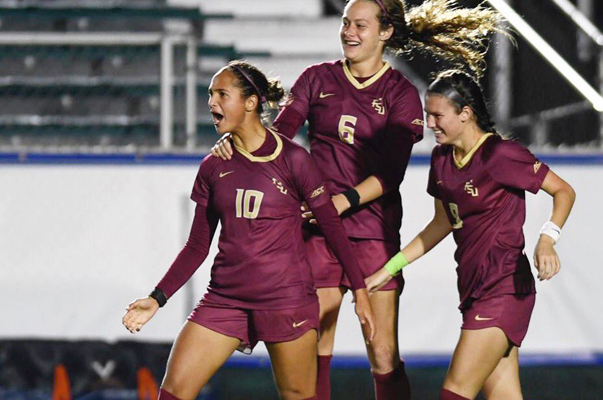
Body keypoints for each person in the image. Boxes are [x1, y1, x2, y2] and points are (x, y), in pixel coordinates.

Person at [211, 2, 504, 399]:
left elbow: (390, 173)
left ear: (384, 33)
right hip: (317, 232)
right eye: (345, 22)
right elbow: (277, 140)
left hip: (373, 235)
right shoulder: (317, 79)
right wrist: (237, 141)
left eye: (360, 25)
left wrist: (340, 202)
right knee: (315, 344)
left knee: (382, 353)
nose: (349, 31)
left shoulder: (400, 93)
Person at [122, 60, 375, 400]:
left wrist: (360, 292)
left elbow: (331, 225)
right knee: (173, 393)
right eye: (210, 94)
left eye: (222, 94)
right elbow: (197, 246)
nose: (211, 102)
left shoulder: (295, 160)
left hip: (286, 301)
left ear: (251, 102)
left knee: (300, 395)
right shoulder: (213, 165)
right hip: (226, 299)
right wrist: (157, 298)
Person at [365, 69, 576, 400]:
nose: (430, 124)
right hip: (474, 290)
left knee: (455, 392)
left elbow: (563, 191)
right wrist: (390, 267)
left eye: (438, 115)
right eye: (427, 115)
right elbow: (441, 224)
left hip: (505, 288)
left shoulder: (500, 154)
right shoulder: (441, 159)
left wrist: (547, 238)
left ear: (466, 113)